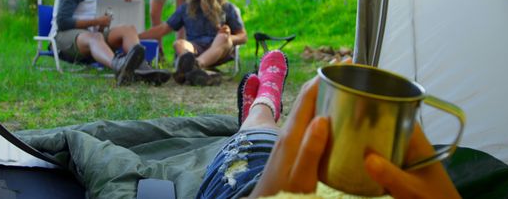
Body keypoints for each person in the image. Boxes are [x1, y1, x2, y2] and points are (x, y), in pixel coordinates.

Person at [196, 50, 461, 199]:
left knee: (253, 144)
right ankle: (263, 106)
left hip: (251, 183)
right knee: (277, 144)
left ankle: (262, 104)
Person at [139, 0, 247, 86]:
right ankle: (197, 74)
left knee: (222, 37)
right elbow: (164, 28)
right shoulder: (187, 8)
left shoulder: (227, 7)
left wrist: (229, 37)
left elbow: (243, 36)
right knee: (179, 43)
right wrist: (137, 37)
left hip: (219, 49)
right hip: (196, 47)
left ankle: (194, 66)